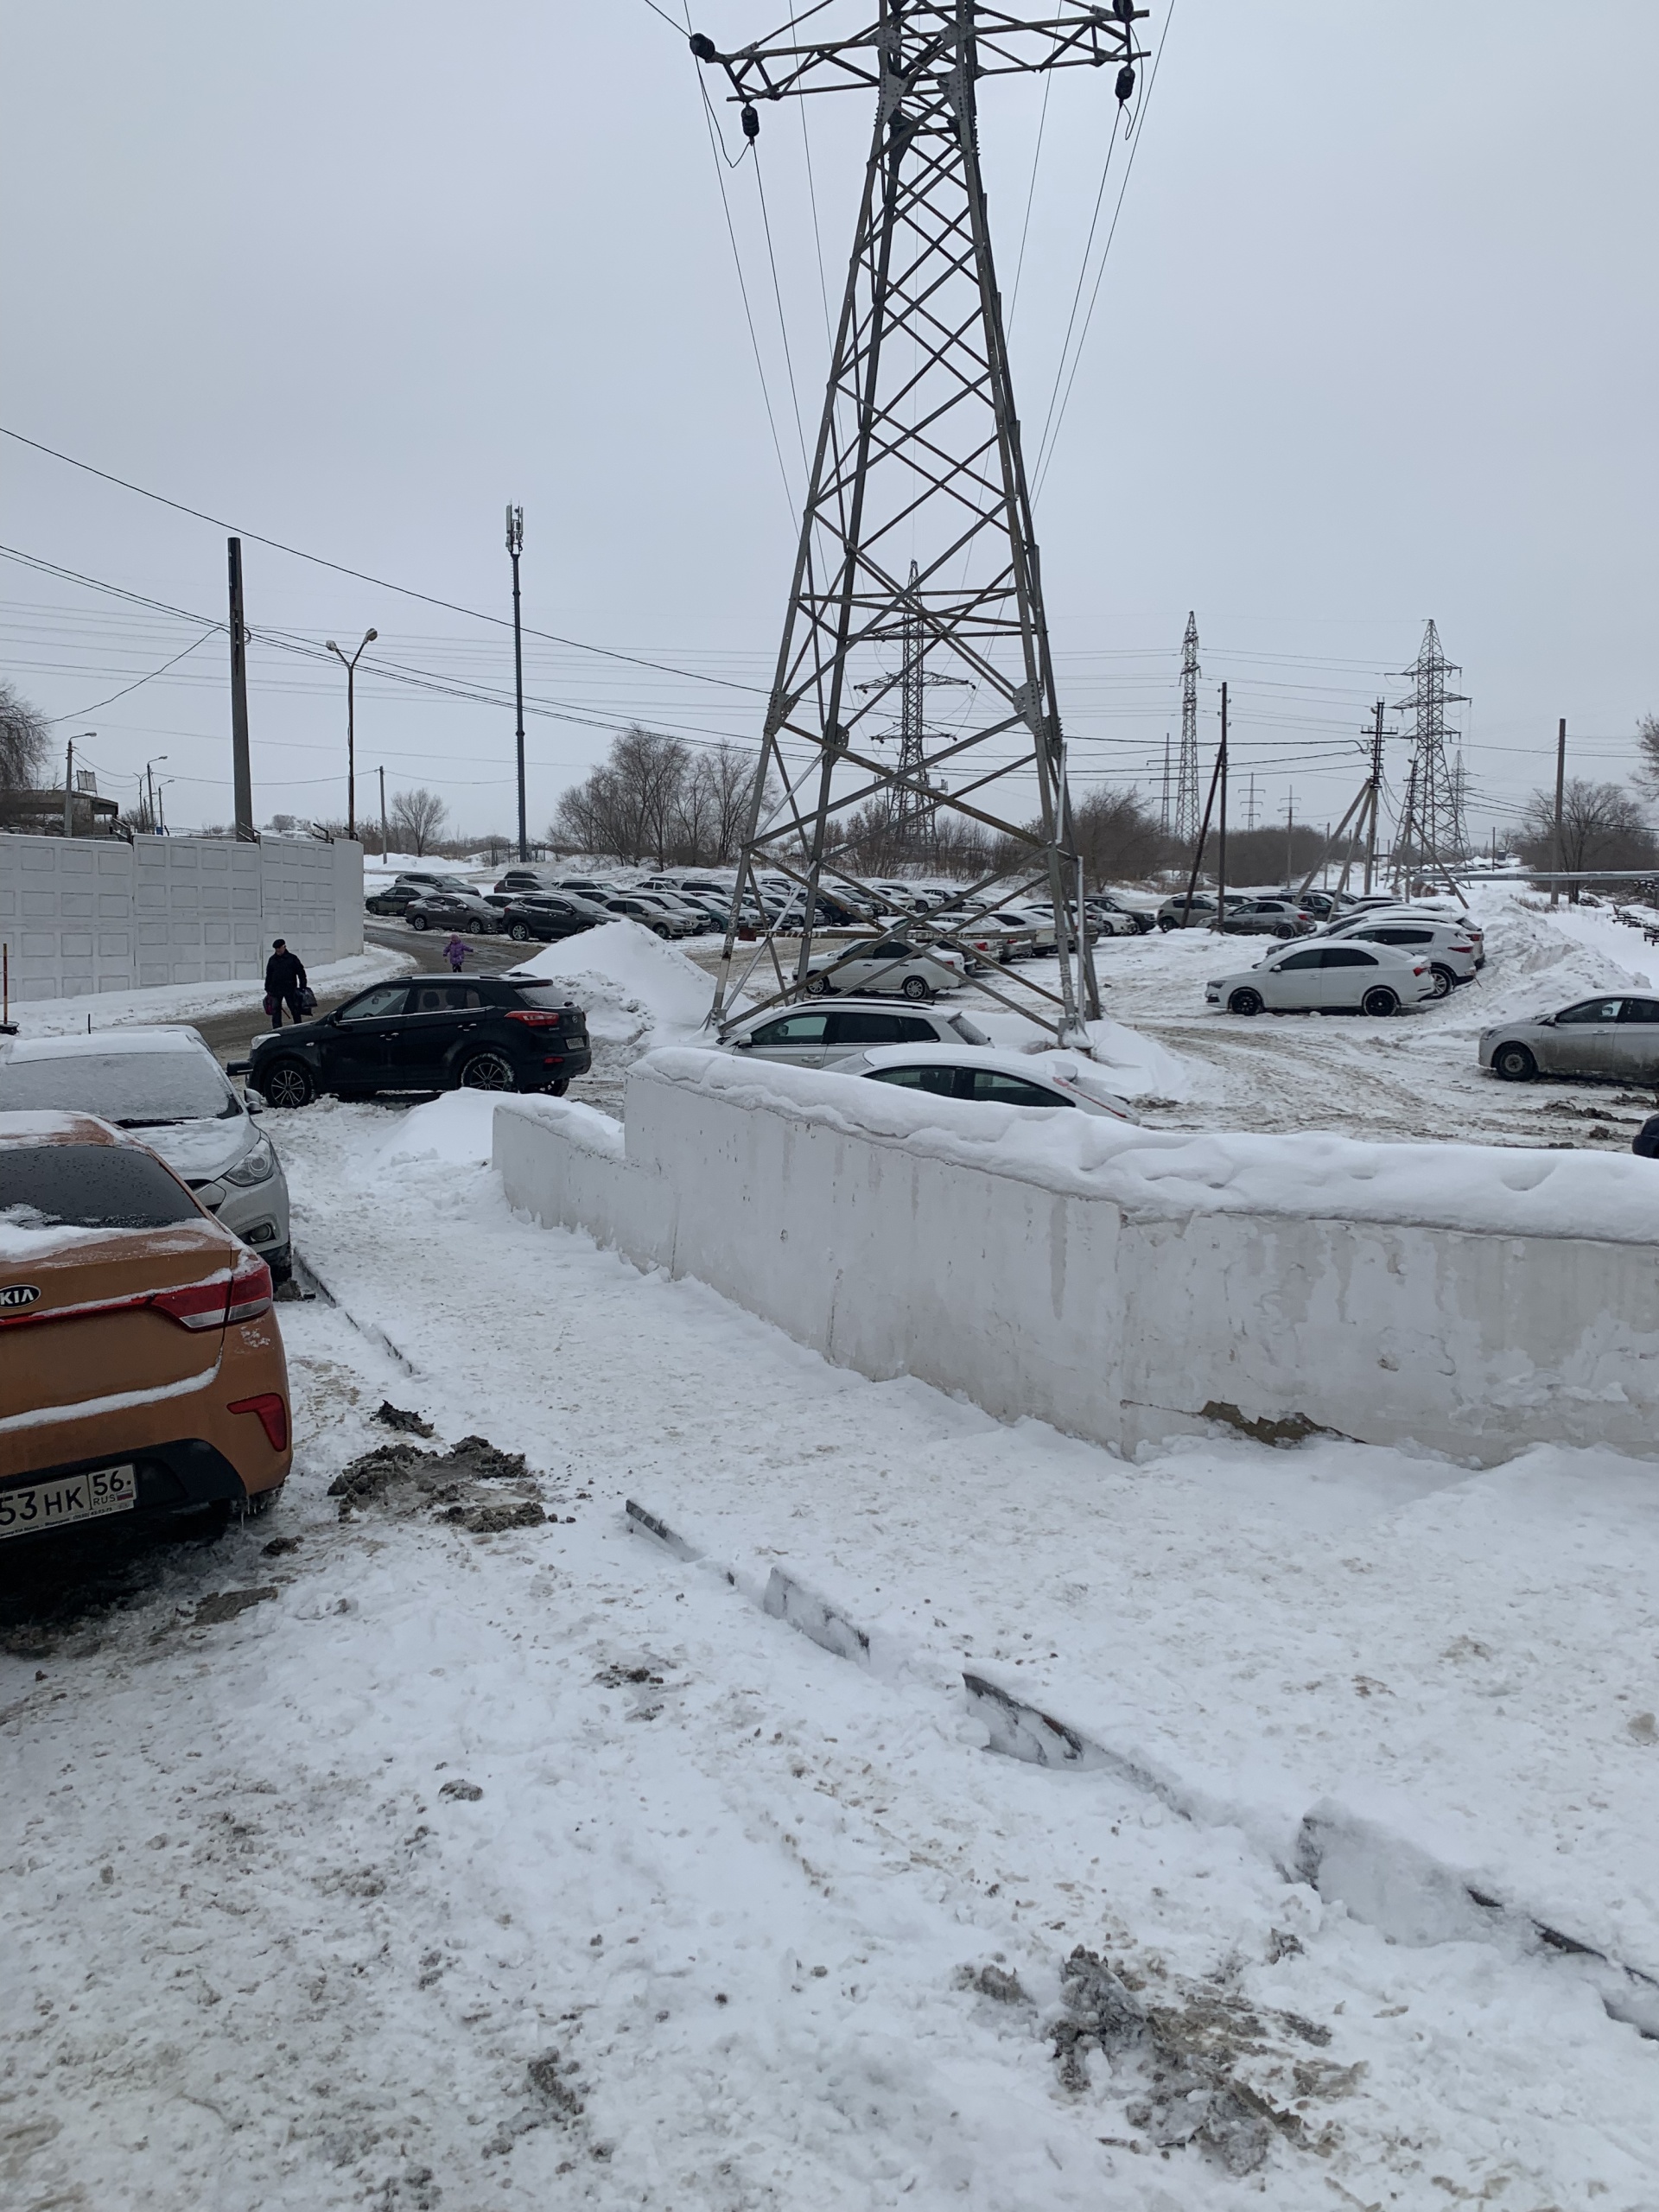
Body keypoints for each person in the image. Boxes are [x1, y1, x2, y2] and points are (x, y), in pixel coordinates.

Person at [264, 938, 308, 1027]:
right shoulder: (272, 960)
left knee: (294, 1009)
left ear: (284, 947)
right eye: (276, 949)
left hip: (290, 989)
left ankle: (298, 1026)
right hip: (275, 990)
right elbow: (269, 974)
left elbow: (300, 972)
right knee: (276, 1011)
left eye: (279, 948)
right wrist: (267, 987)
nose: (278, 950)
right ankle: (277, 1028)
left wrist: (303, 985)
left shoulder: (292, 959)